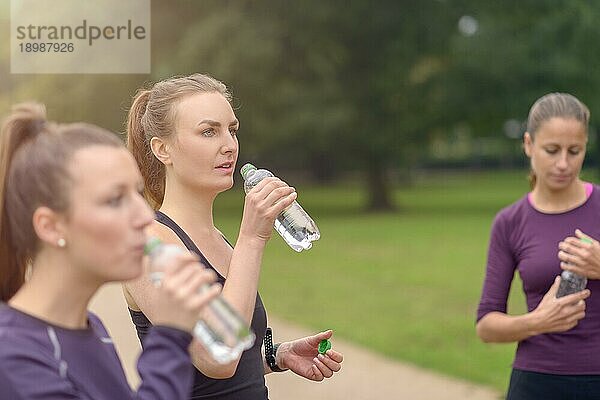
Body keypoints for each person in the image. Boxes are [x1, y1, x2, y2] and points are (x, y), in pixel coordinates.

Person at [124, 73, 343, 399]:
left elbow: (219, 367)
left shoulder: (216, 238)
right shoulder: (147, 246)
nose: (229, 145)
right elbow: (216, 358)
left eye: (232, 130)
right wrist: (252, 238)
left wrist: (276, 355)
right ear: (162, 149)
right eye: (209, 131)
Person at [0, 103, 222, 399]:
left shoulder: (91, 328)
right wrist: (169, 335)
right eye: (115, 200)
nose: (144, 217)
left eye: (137, 193)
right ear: (51, 226)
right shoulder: (12, 355)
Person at [476, 93, 600, 400]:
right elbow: (486, 325)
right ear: (529, 144)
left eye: (575, 151)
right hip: (537, 381)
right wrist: (537, 322)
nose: (563, 163)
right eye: (551, 150)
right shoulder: (510, 222)